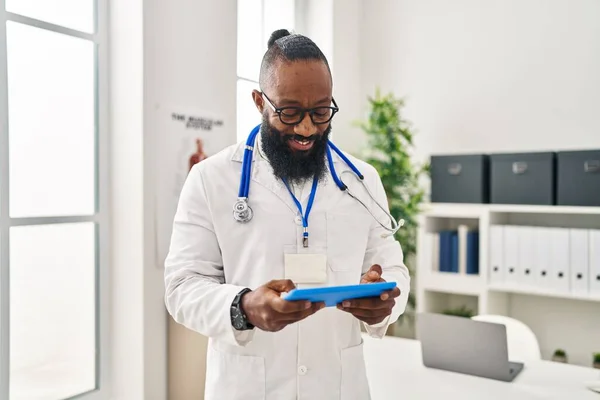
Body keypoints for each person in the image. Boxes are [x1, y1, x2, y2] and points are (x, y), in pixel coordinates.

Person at [164, 29, 410, 400]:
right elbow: (181, 286)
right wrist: (243, 306)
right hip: (248, 386)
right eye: (290, 112)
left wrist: (385, 301)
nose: (307, 127)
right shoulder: (211, 178)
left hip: (337, 386)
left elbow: (394, 270)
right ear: (259, 101)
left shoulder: (361, 180)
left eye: (321, 111)